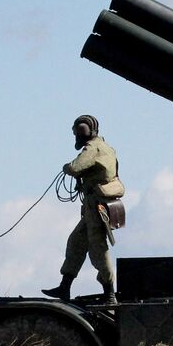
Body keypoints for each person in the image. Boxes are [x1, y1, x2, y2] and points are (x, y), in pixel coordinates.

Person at [42, 114, 125, 305]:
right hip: (94, 206)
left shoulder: (93, 148)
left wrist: (66, 167)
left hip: (96, 206)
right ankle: (65, 286)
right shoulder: (106, 147)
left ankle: (109, 294)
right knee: (76, 242)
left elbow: (75, 167)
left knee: (97, 249)